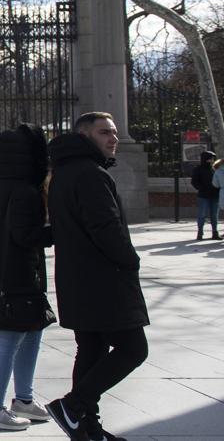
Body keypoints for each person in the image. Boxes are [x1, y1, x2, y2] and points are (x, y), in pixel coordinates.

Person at [46, 112, 148, 441]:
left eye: (115, 132)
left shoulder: (64, 172)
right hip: (103, 280)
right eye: (105, 133)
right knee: (133, 349)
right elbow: (105, 228)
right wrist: (129, 260)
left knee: (91, 349)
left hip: (78, 279)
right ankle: (73, 407)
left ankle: (87, 430)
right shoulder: (90, 174)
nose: (114, 138)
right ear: (84, 136)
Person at [0, 124, 56, 430]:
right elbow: (25, 235)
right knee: (10, 339)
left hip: (1, 269)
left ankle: (23, 399)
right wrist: (58, 230)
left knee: (31, 333)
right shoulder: (25, 192)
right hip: (17, 272)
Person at [190, 151, 220, 240]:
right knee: (202, 214)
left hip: (215, 195)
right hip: (203, 195)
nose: (212, 160)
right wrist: (201, 188)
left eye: (213, 158)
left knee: (214, 215)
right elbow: (194, 181)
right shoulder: (198, 169)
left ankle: (215, 232)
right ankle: (200, 232)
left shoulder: (215, 168)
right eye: (210, 158)